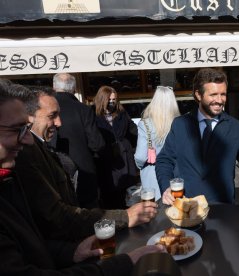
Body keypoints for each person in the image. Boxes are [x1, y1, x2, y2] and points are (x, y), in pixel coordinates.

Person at [0, 79, 164, 275]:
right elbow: (55, 218)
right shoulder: (24, 158)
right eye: (17, 129)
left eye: (25, 128)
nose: (59, 123)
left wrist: (71, 252)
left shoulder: (12, 171)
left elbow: (29, 244)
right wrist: (123, 261)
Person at [15, 86, 158, 242]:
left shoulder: (39, 147)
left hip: (121, 164)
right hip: (103, 170)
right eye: (52, 116)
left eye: (114, 99)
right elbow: (56, 215)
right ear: (28, 118)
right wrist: (124, 216)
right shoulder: (25, 154)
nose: (59, 123)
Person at [156, 68, 239, 204]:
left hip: (222, 207)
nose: (220, 100)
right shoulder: (180, 124)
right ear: (198, 95)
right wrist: (166, 187)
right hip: (185, 205)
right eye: (213, 94)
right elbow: (164, 160)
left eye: (223, 94)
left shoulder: (236, 127)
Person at [53, 73, 105, 208]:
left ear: (54, 86)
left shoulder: (44, 109)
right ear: (74, 89)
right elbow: (97, 144)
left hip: (53, 173)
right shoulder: (83, 109)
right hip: (84, 173)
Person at [94, 86, 138, 209]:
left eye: (114, 99)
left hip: (123, 157)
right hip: (106, 160)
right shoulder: (93, 114)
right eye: (109, 99)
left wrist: (131, 147)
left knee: (123, 196)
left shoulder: (122, 113)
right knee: (108, 196)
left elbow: (133, 131)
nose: (112, 102)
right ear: (102, 99)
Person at [134, 86, 180, 201]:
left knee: (153, 212)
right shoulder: (180, 123)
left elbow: (140, 156)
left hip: (151, 175)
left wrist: (139, 165)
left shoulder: (145, 124)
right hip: (175, 176)